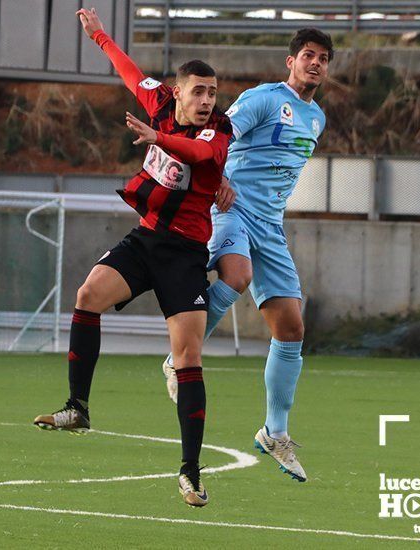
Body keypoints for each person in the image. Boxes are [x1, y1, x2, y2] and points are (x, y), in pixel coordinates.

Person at [32, 7, 234, 507]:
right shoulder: (159, 101)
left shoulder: (218, 133)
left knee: (188, 357)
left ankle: (190, 470)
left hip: (185, 254)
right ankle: (77, 407)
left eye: (213, 92)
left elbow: (202, 157)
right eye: (199, 92)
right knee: (87, 295)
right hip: (145, 239)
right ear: (179, 91)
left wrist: (157, 138)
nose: (207, 101)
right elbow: (127, 71)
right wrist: (99, 35)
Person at [162, 28, 334, 483]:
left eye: (322, 58)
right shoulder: (263, 98)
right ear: (290, 61)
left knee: (292, 327)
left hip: (271, 227)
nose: (315, 63)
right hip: (232, 207)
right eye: (307, 56)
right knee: (235, 276)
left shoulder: (317, 119)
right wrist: (217, 179)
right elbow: (216, 134)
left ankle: (274, 432)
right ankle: (179, 359)